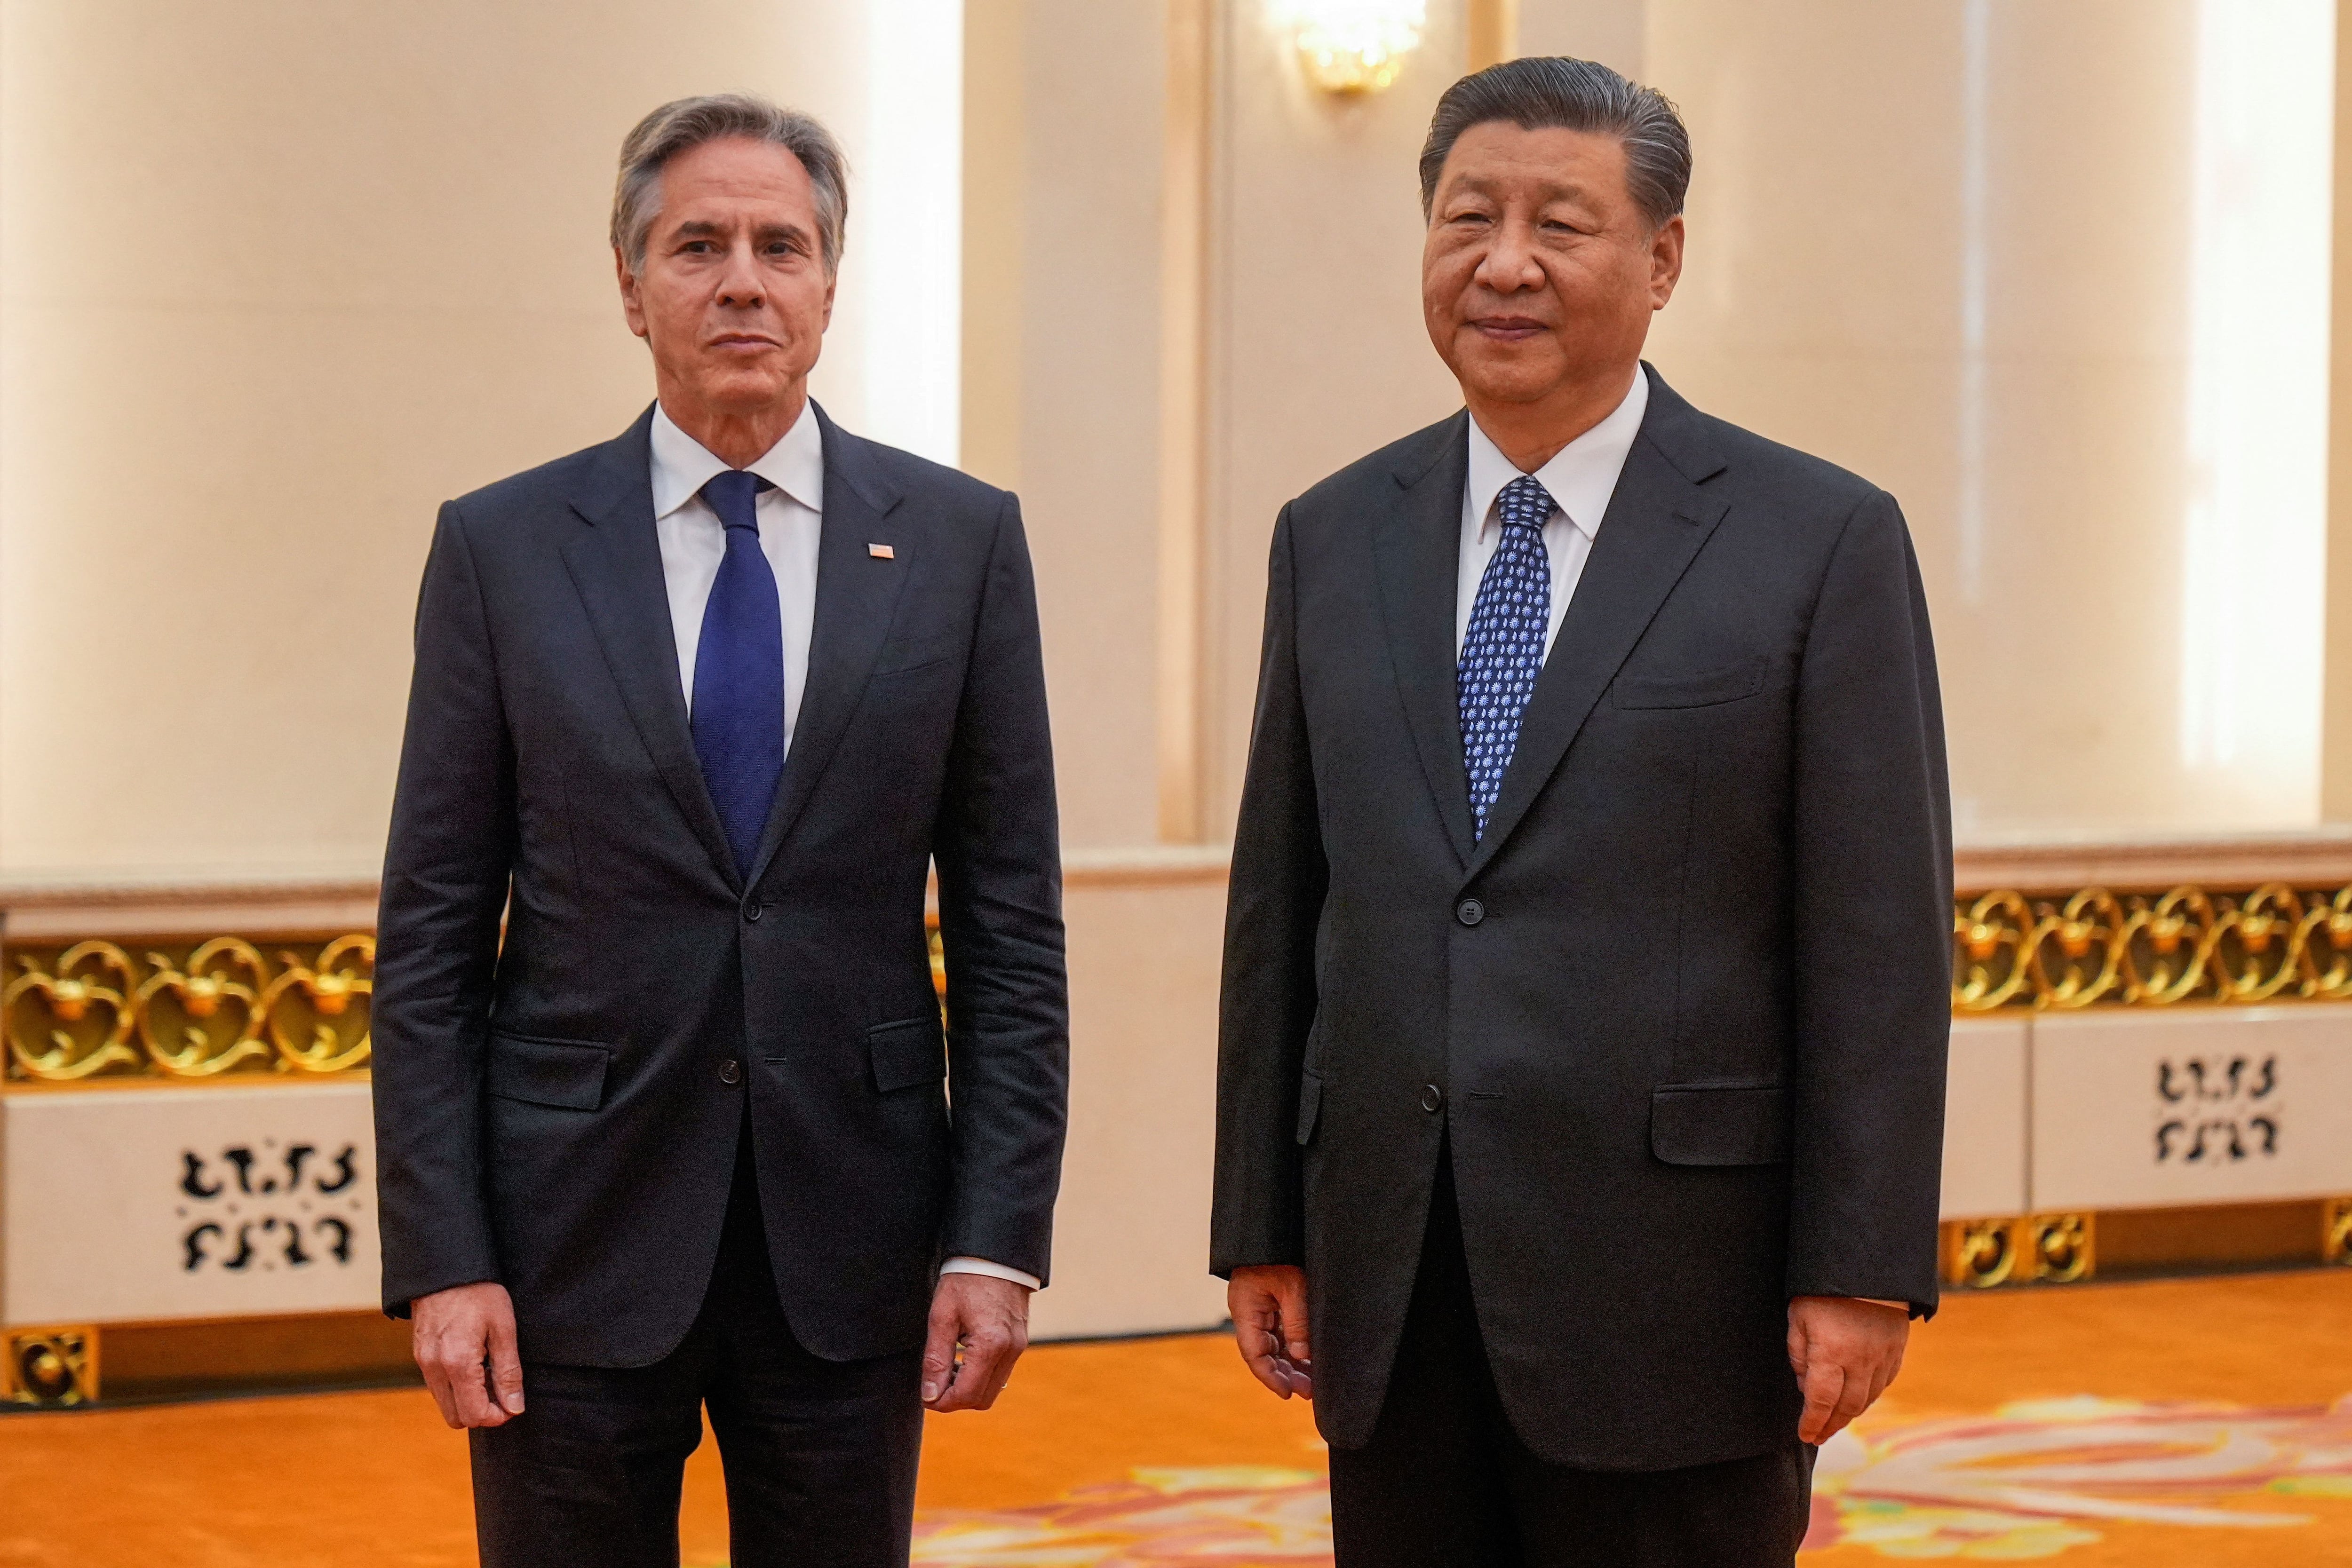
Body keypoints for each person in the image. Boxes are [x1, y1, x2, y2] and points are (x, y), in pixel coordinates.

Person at [1212, 57, 1950, 1567]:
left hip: (1683, 1289)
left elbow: (1878, 941)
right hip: (1393, 1271)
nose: (1504, 262)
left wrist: (1863, 1264)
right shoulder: (1334, 533)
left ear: (1664, 258)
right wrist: (1260, 1219)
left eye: (1563, 222)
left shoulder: (1818, 541)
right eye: (1466, 217)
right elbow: (1282, 900)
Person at [371, 94, 1068, 1568]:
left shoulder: (959, 544)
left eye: (781, 245)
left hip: (856, 1244)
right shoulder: (502, 549)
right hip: (566, 1247)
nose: (742, 279)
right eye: (698, 246)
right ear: (631, 286)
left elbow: (1013, 934)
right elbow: (430, 942)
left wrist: (995, 1238)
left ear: (828, 284)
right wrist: (447, 1261)